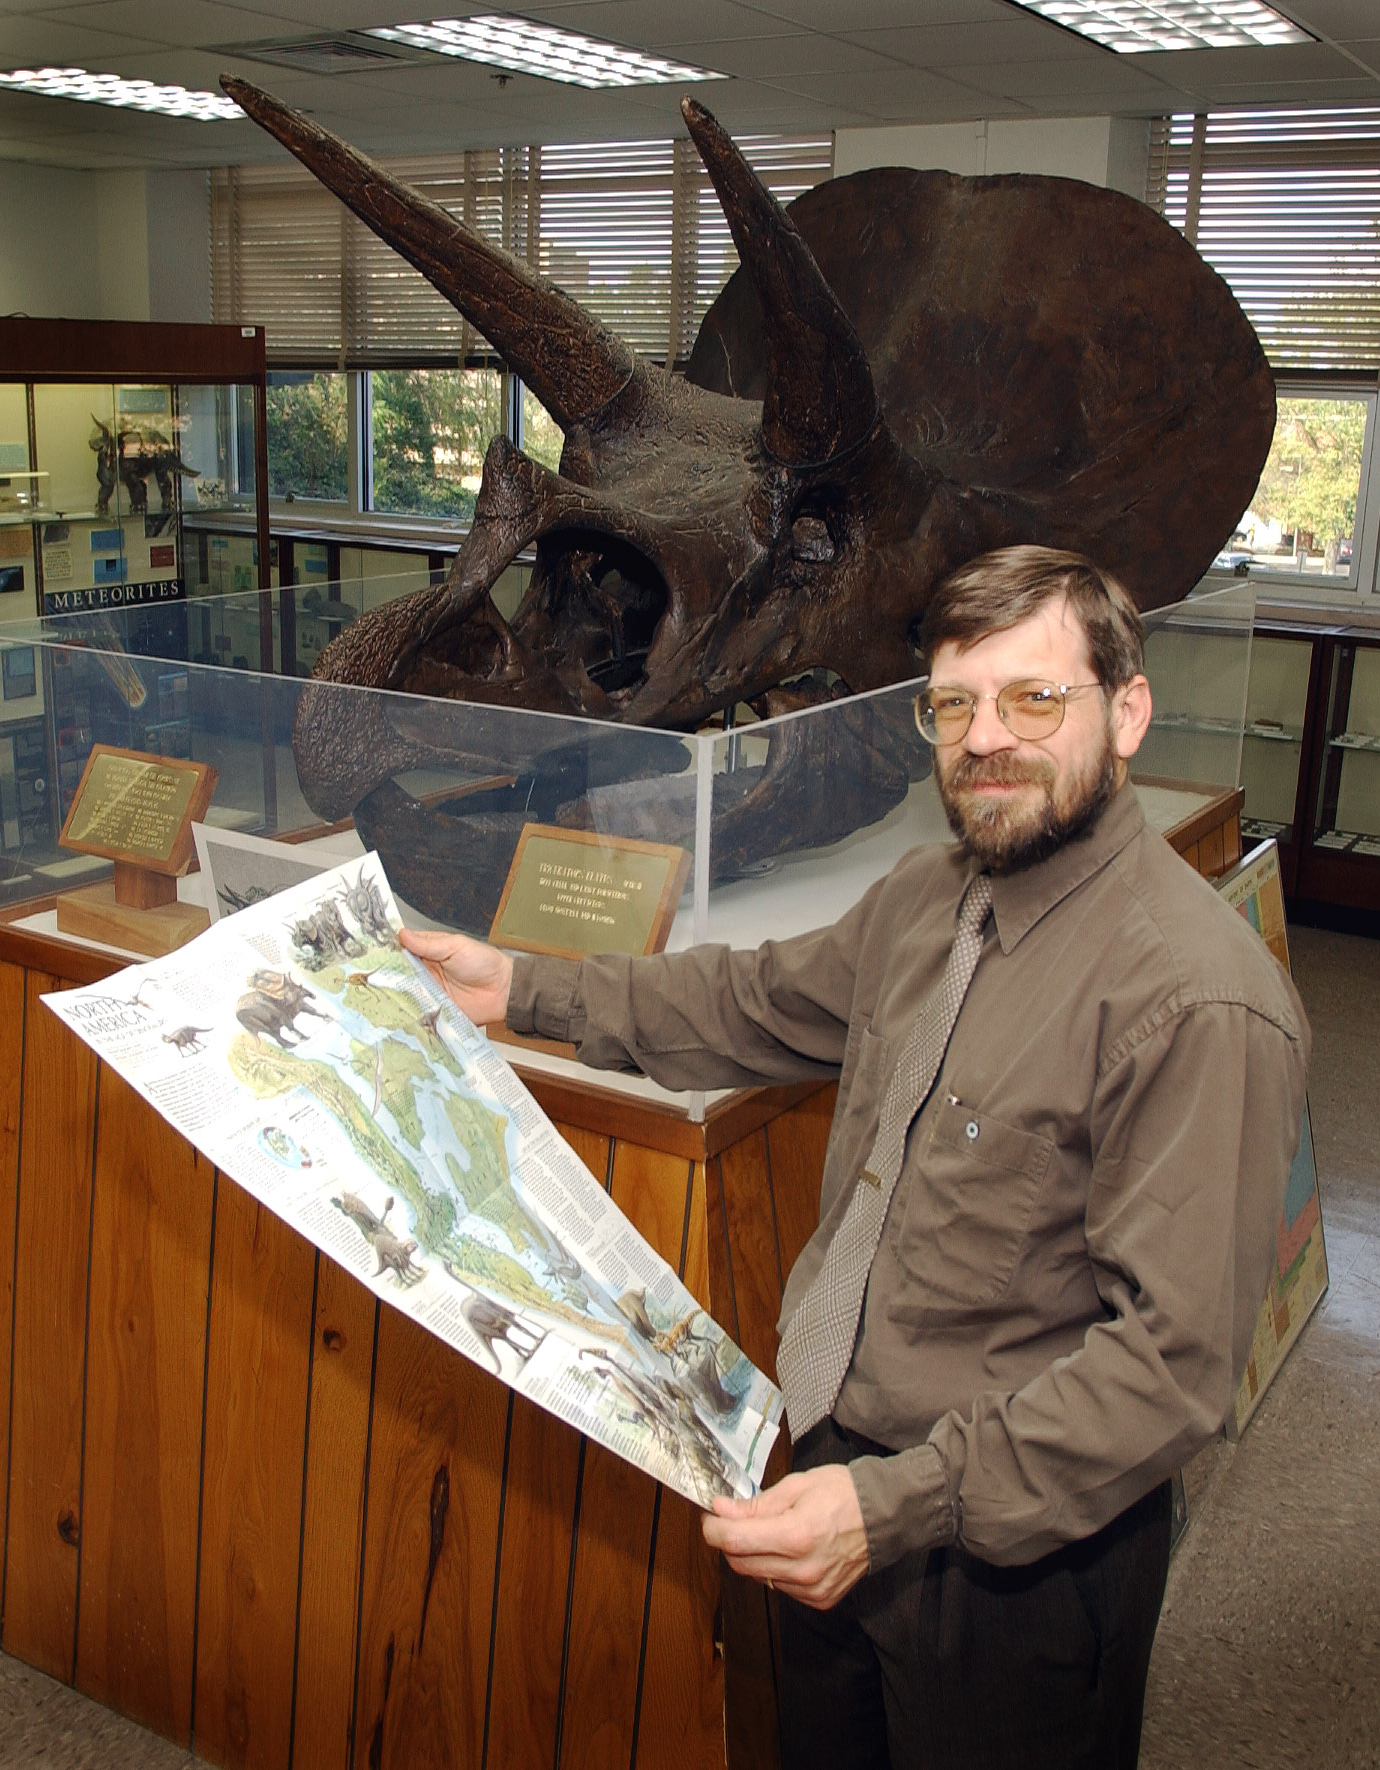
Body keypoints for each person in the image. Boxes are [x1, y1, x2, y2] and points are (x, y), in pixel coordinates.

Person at [401, 544, 1309, 1770]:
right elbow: (746, 1002)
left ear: (1127, 710)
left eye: (1034, 698)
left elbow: (1170, 1369)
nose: (986, 738)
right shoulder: (927, 898)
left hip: (1012, 1563)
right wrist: (521, 987)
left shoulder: (1198, 1001)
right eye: (953, 705)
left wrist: (895, 1509)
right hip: (832, 1485)